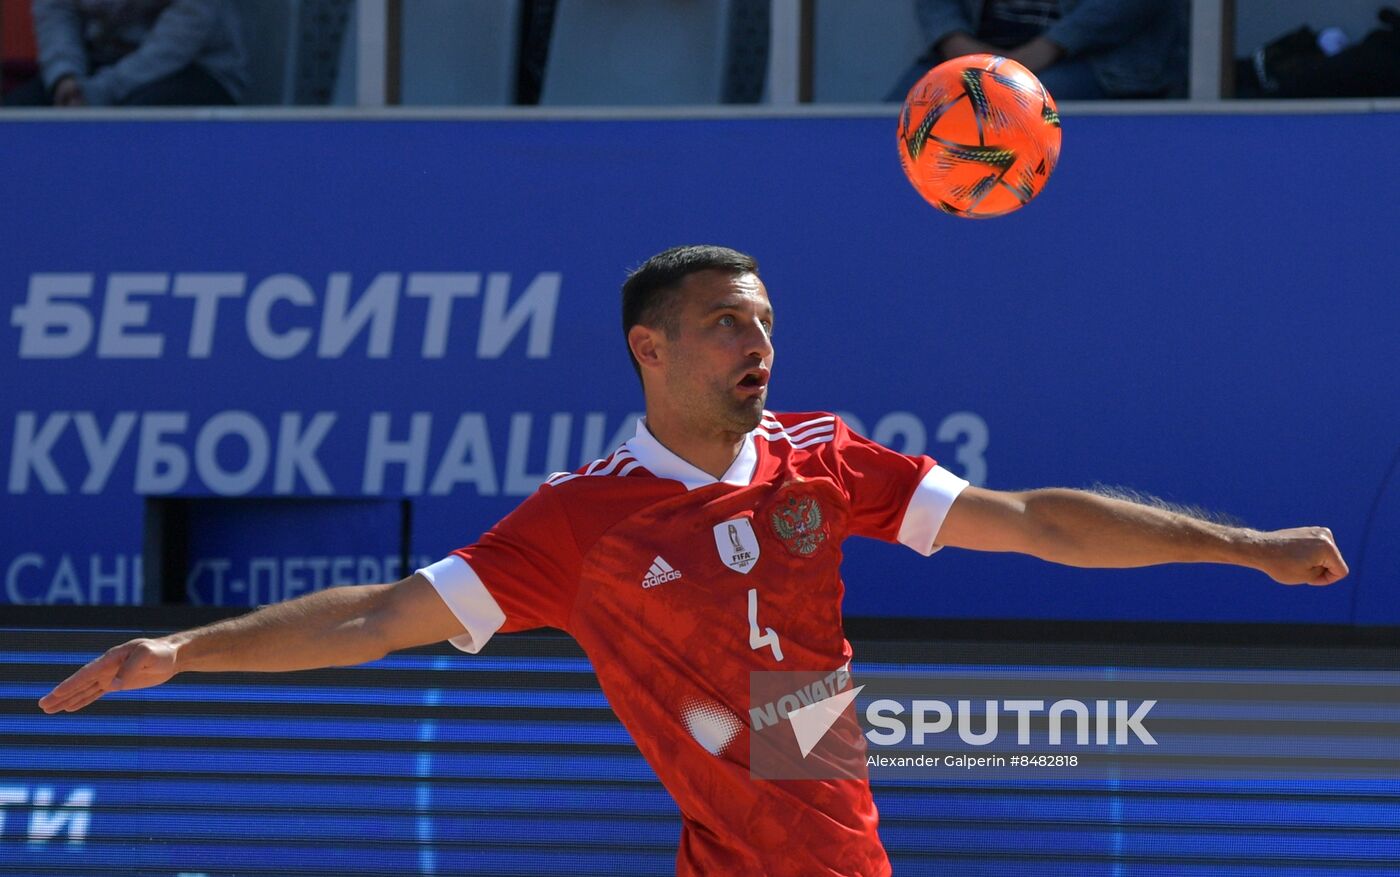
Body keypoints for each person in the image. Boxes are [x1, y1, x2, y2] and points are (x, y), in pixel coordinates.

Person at [40, 245, 1347, 876]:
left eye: (766, 322)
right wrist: (181, 649)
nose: (757, 342)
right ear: (648, 350)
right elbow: (381, 615)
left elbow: (1038, 521)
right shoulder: (584, 521)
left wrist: (1247, 551)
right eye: (726, 323)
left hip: (824, 845)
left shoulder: (825, 464)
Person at [888, 0, 1189, 102]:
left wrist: (1047, 48)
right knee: (887, 120)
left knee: (1004, 110)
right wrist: (955, 43)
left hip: (1093, 59)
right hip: (973, 50)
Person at [3, 0, 246, 108]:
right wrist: (65, 77)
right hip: (95, 66)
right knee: (18, 112)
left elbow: (178, 40)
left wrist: (100, 92)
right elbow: (57, 12)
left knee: (132, 124)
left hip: (195, 70)